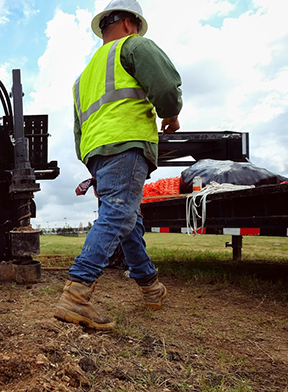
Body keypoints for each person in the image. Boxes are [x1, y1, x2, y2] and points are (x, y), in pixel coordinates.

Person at [53, 0, 183, 331]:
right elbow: (166, 87)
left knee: (128, 220)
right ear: (128, 23)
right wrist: (169, 113)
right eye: (136, 26)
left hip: (97, 153)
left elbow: (77, 129)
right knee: (119, 216)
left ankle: (150, 287)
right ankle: (77, 293)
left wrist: (90, 160)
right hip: (126, 145)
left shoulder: (83, 78)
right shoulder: (133, 46)